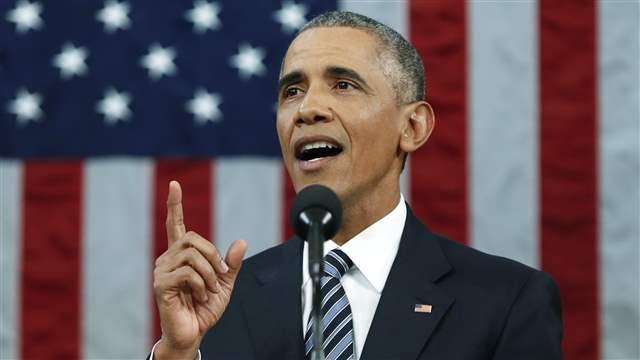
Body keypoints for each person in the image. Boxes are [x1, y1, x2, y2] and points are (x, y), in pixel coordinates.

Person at [150, 11, 563, 360]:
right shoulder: (222, 303)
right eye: (292, 91)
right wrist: (177, 354)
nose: (308, 109)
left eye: (343, 85)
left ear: (412, 126)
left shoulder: (506, 301)